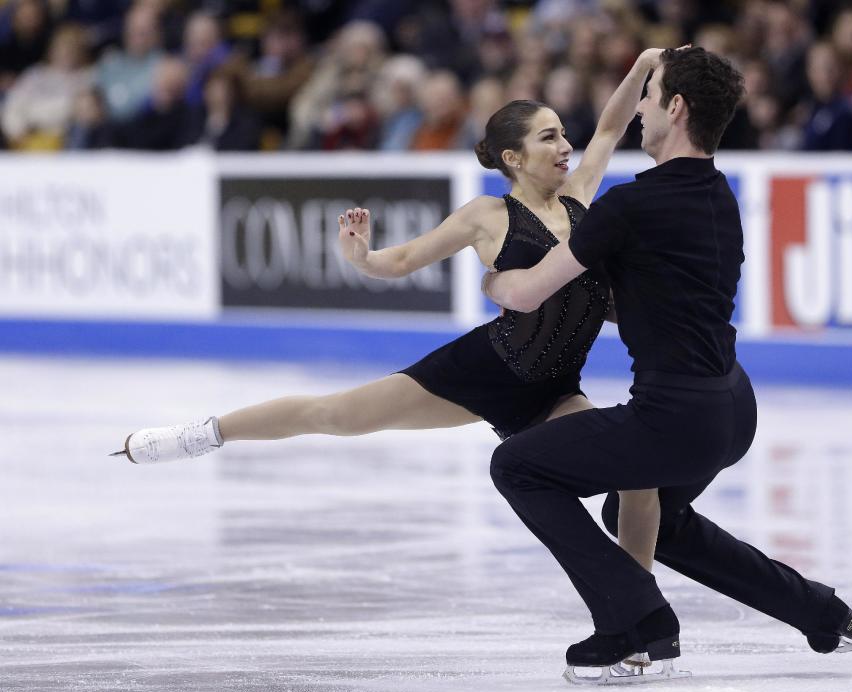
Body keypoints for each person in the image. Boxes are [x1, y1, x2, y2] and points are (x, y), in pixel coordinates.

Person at [115, 48, 673, 577]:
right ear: (513, 156)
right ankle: (207, 433)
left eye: (562, 134)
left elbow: (609, 127)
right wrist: (361, 256)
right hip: (482, 369)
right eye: (548, 137)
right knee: (334, 416)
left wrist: (646, 65)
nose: (564, 146)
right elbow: (403, 259)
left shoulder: (580, 197)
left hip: (553, 391)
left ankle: (638, 610)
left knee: (640, 476)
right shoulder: (485, 214)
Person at [482, 47, 852, 685]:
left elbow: (528, 292)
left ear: (675, 107)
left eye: (651, 94)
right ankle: (823, 613)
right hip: (733, 409)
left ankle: (634, 621)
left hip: (674, 418)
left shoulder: (629, 207)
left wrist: (494, 281)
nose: (639, 108)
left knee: (518, 466)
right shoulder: (720, 197)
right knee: (647, 519)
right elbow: (654, 300)